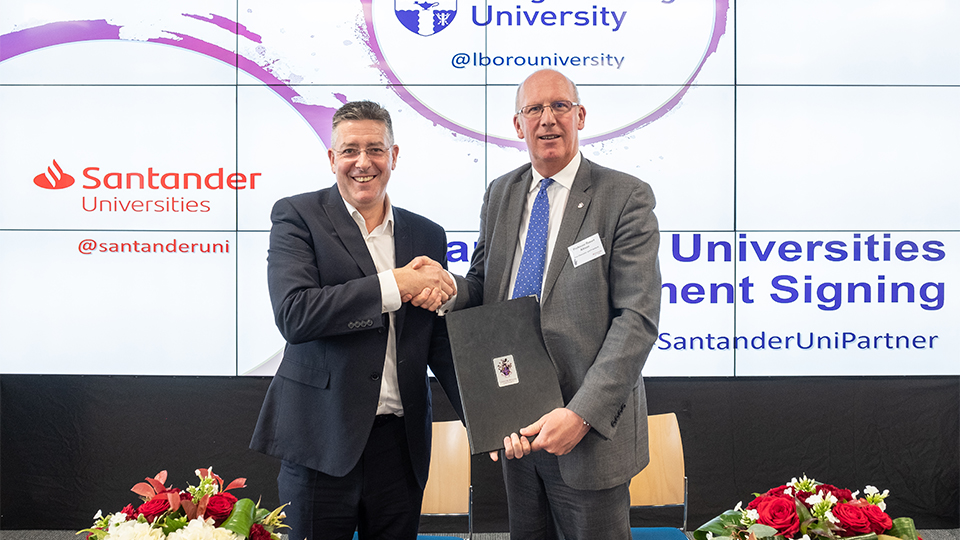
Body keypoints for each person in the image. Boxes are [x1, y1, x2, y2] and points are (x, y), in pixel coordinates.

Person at [443, 69, 662, 539]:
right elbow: (485, 285)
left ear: (580, 116)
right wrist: (447, 288)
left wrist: (581, 414)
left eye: (560, 106)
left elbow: (637, 319)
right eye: (534, 109)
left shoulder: (624, 196)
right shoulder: (501, 193)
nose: (548, 119)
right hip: (518, 423)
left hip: (589, 435)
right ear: (518, 125)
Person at [250, 100, 463, 540]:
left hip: (400, 448)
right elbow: (295, 314)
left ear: (394, 156)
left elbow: (438, 343)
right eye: (349, 150)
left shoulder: (427, 235)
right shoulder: (297, 217)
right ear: (332, 159)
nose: (362, 162)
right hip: (320, 441)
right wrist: (394, 285)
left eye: (375, 149)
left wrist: (491, 420)